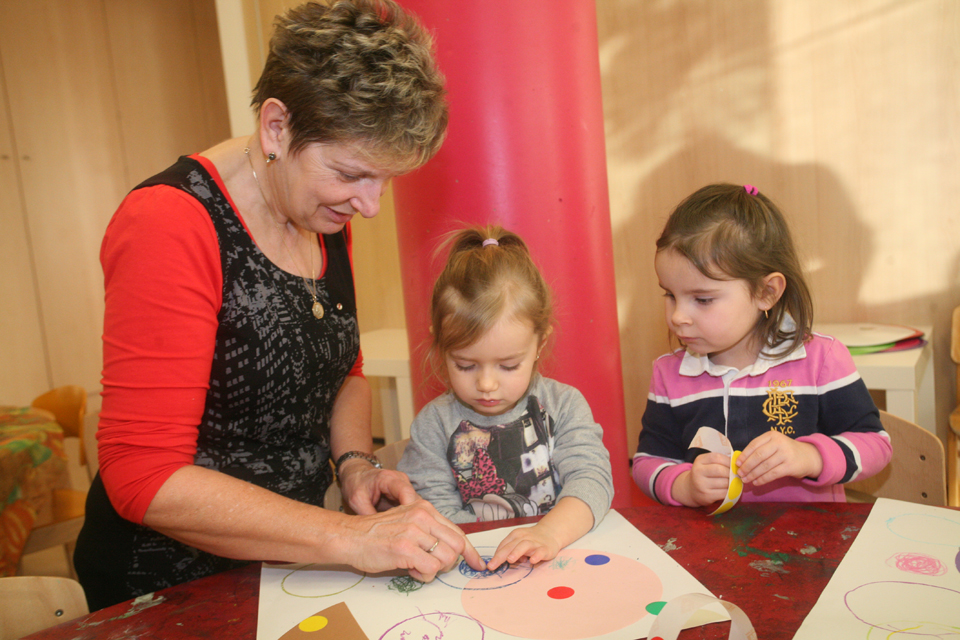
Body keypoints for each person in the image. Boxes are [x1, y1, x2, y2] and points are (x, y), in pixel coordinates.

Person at [74, 0, 483, 612]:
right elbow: (141, 475)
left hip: (281, 567)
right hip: (167, 584)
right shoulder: (170, 222)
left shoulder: (321, 209)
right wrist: (350, 535)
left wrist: (354, 467)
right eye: (351, 173)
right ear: (276, 128)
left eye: (384, 180)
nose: (370, 205)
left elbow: (341, 365)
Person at [633, 183, 892, 508]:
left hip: (810, 547)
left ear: (766, 293)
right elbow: (646, 462)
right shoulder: (669, 373)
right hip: (712, 548)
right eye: (670, 295)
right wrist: (683, 485)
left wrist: (810, 456)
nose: (679, 316)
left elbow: (876, 445)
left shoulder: (821, 360)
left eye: (702, 299)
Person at [397, 225, 613, 572]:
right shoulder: (433, 426)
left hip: (562, 560)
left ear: (540, 344)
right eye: (465, 365)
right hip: (476, 570)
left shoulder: (564, 405)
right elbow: (433, 513)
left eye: (508, 365)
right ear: (440, 344)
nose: (486, 384)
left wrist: (549, 533)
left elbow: (592, 481)